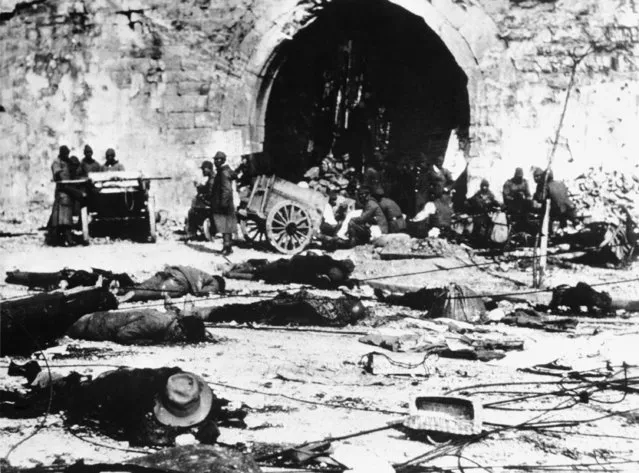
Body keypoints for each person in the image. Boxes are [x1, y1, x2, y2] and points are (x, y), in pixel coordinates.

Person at [1, 365, 247, 447]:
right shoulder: (135, 404)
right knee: (63, 390)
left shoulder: (182, 385)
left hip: (124, 380)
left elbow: (213, 408)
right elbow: (141, 434)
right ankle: (35, 373)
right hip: (105, 389)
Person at [207, 290, 368, 327]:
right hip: (285, 309)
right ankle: (206, 313)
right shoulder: (336, 317)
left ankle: (205, 313)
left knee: (242, 311)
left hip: (283, 309)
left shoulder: (330, 308)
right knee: (242, 311)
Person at [67, 302, 208, 345]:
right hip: (87, 326)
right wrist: (149, 342)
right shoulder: (157, 323)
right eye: (182, 337)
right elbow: (122, 335)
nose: (178, 340)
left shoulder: (167, 320)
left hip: (92, 321)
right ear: (179, 328)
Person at [224, 254, 356, 289]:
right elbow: (325, 282)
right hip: (291, 272)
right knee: (258, 274)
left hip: (292, 264)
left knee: (260, 271)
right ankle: (231, 274)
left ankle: (232, 272)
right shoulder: (334, 272)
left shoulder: (328, 260)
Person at [118, 265, 225, 303]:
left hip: (172, 271)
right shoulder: (215, 282)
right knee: (153, 292)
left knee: (144, 285)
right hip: (180, 281)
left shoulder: (204, 274)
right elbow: (204, 292)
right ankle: (129, 296)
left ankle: (119, 290)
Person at [46, 145, 75, 246]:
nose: (67, 155)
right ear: (61, 153)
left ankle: (64, 238)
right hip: (61, 190)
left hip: (68, 189)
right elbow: (57, 175)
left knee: (65, 215)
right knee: (59, 216)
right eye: (66, 154)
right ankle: (58, 239)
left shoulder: (67, 161)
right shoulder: (57, 162)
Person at [211, 151, 237, 256]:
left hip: (224, 204)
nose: (214, 161)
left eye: (216, 160)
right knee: (227, 226)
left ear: (221, 160)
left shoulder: (223, 172)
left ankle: (227, 248)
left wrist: (223, 204)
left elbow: (227, 190)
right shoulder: (225, 171)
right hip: (226, 203)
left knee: (225, 226)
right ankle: (228, 247)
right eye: (214, 159)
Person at [186, 160, 215, 240]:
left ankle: (192, 233)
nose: (202, 172)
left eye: (203, 170)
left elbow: (210, 193)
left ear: (207, 169)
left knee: (192, 212)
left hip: (211, 204)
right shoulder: (212, 177)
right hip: (212, 203)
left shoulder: (212, 180)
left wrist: (202, 196)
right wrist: (200, 187)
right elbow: (207, 188)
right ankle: (201, 230)